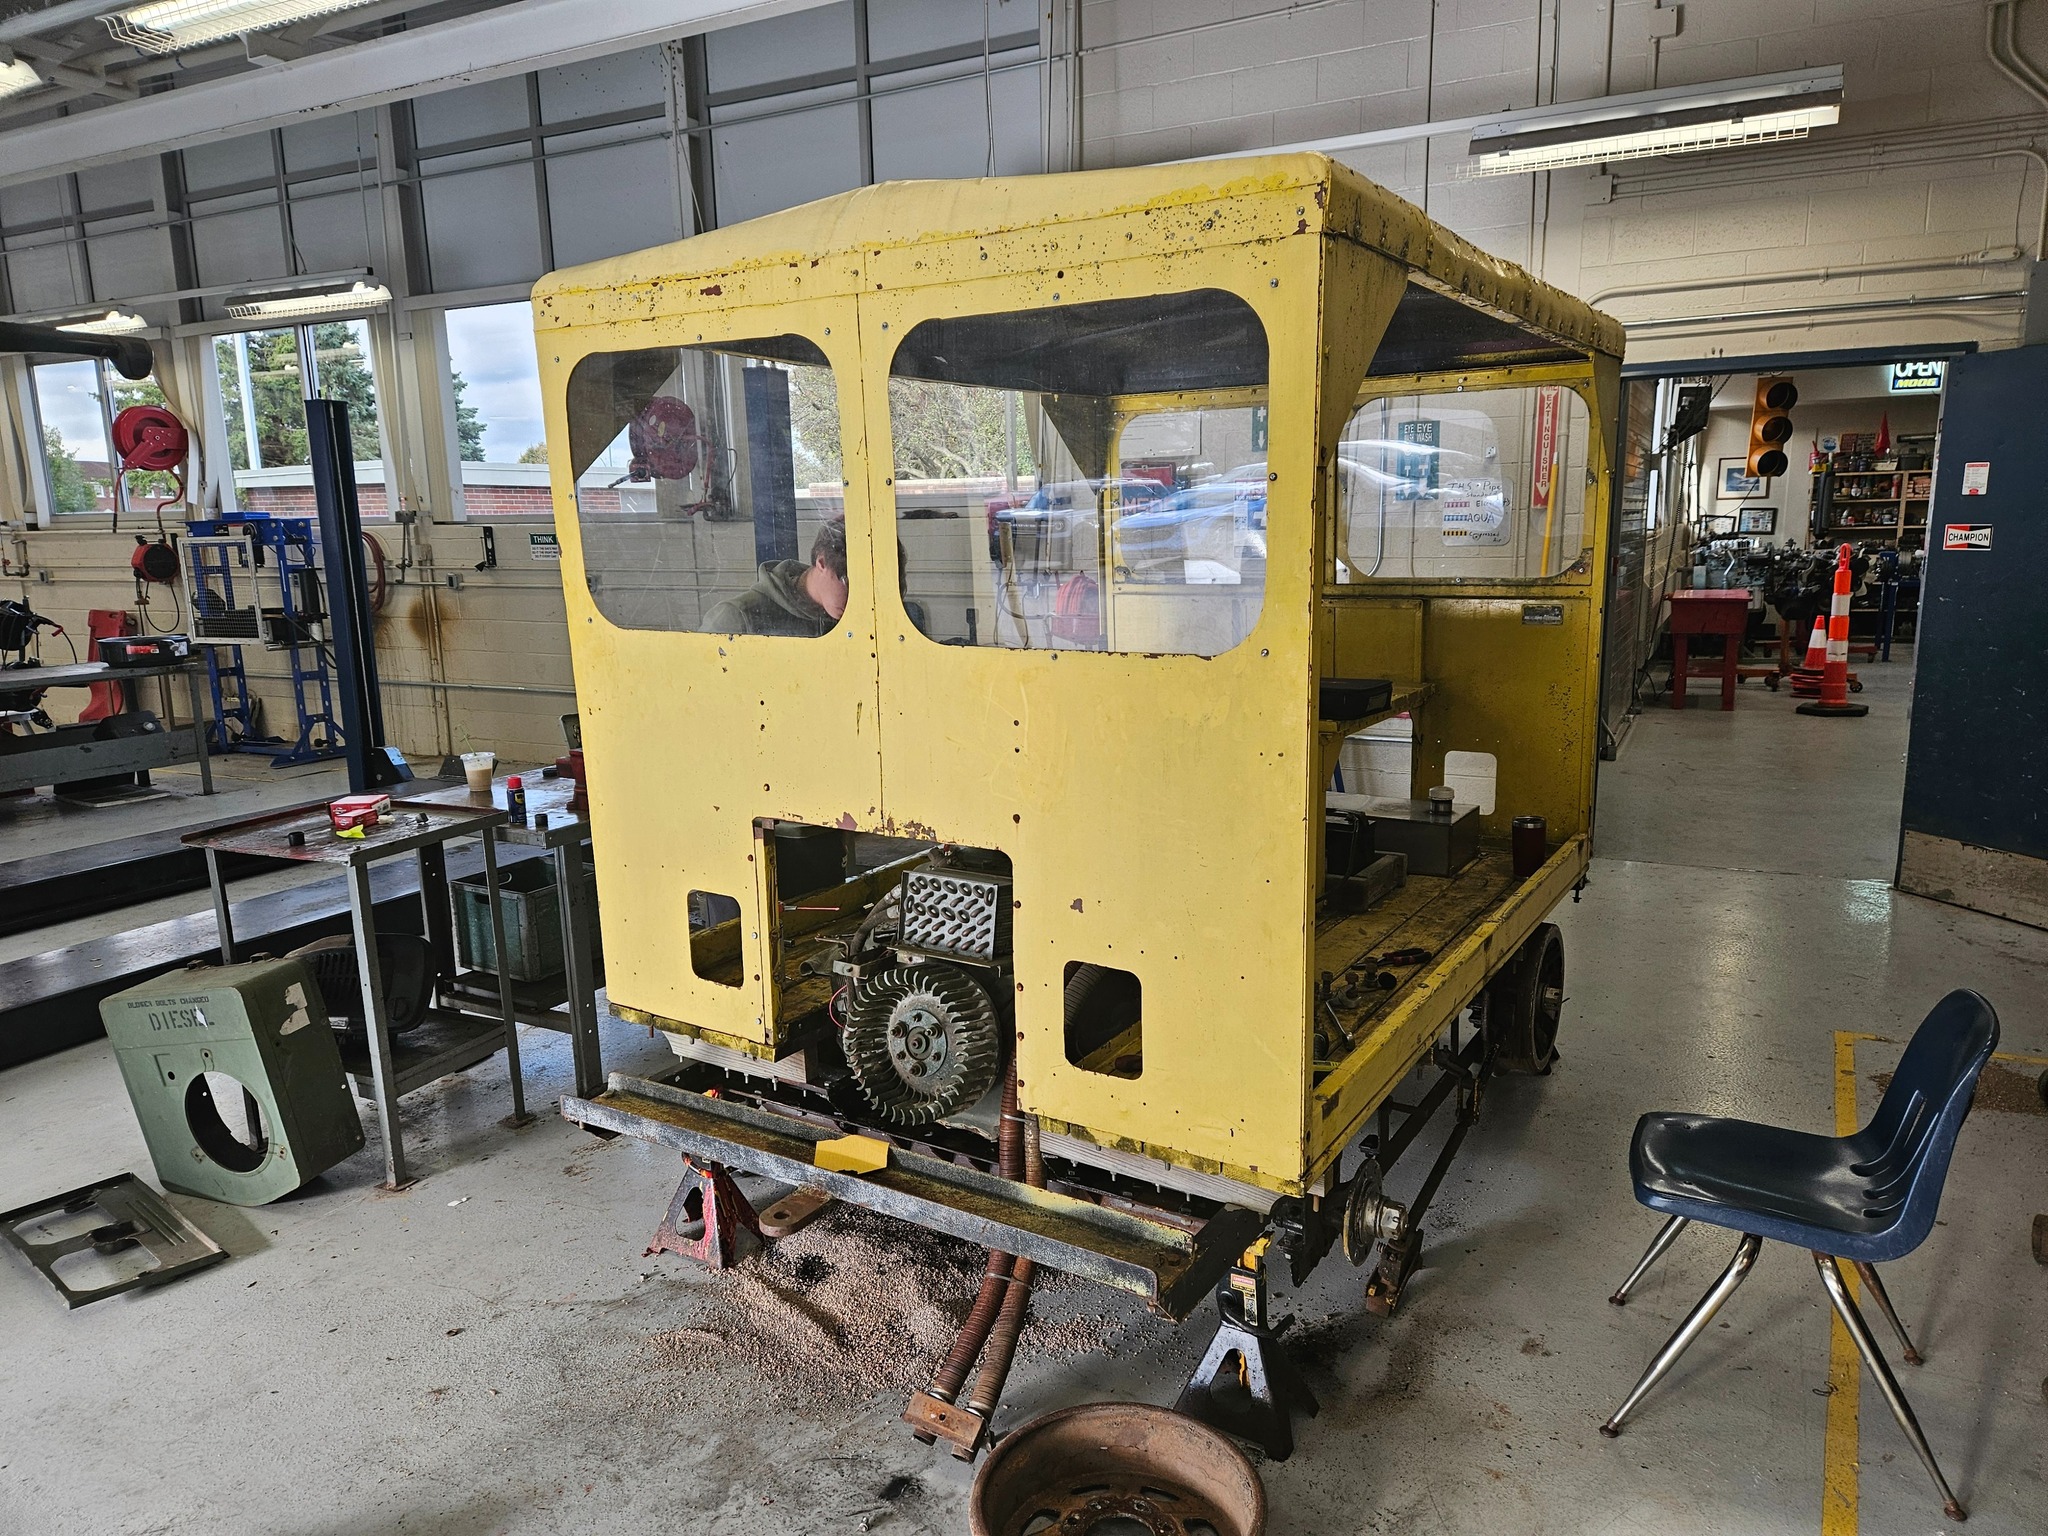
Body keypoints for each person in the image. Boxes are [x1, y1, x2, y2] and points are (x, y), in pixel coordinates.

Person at [702, 519, 849, 637]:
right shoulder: (736, 618)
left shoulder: (849, 619)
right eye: (846, 583)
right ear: (822, 563)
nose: (853, 598)